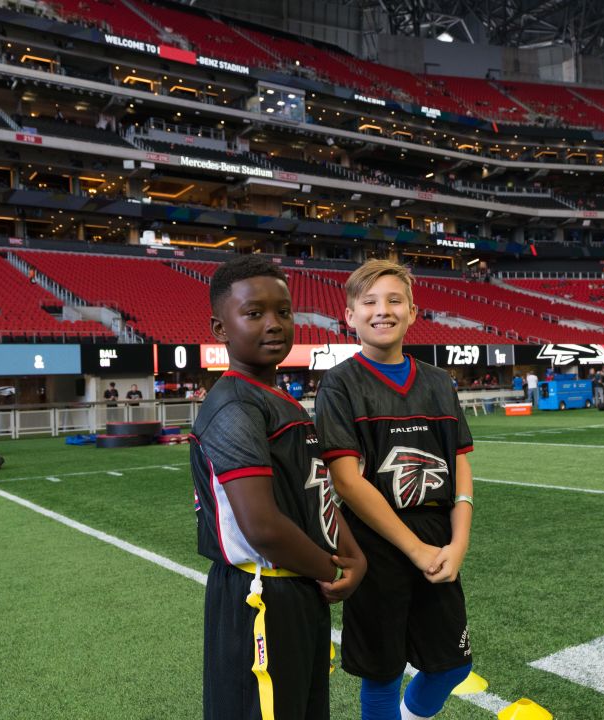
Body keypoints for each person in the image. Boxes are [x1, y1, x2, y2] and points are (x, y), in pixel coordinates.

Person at [190, 254, 365, 720]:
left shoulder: (280, 399)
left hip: (298, 587)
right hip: (260, 593)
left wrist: (354, 554)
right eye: (254, 313)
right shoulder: (233, 406)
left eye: (283, 312)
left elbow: (316, 493)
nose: (274, 324)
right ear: (220, 329)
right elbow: (263, 526)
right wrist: (332, 570)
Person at [314, 260, 476, 720]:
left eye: (394, 300)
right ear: (350, 316)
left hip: (437, 532)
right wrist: (415, 549)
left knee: (452, 666)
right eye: (369, 302)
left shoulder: (437, 382)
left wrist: (457, 543)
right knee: (382, 673)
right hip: (376, 539)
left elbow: (460, 465)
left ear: (413, 312)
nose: (382, 310)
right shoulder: (340, 383)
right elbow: (346, 479)